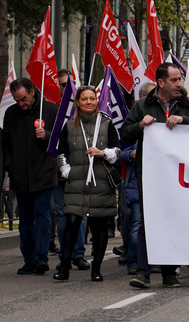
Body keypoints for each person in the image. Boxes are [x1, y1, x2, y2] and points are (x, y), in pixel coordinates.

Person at [122, 62, 189, 289]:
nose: (178, 84)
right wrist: (140, 124)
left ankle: (170, 273)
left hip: (179, 174)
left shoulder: (188, 105)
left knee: (172, 220)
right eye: (174, 80)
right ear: (160, 83)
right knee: (147, 221)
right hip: (149, 172)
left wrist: (184, 120)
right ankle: (143, 272)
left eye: (179, 79)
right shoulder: (142, 106)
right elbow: (124, 133)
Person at [52, 86, 120, 282]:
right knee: (71, 224)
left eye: (92, 98)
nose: (88, 102)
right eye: (84, 99)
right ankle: (64, 267)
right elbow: (62, 152)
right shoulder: (69, 126)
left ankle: (96, 269)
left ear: (96, 101)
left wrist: (103, 153)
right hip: (77, 184)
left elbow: (118, 151)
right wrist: (67, 171)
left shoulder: (106, 123)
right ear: (78, 102)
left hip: (101, 184)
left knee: (99, 226)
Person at [2, 78, 58, 275]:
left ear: (32, 92)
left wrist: (48, 135)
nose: (21, 104)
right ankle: (29, 259)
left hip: (43, 173)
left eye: (23, 99)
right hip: (20, 175)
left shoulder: (50, 110)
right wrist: (10, 164)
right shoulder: (11, 113)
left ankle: (41, 257)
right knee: (25, 220)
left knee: (42, 216)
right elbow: (6, 143)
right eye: (17, 100)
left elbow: (61, 139)